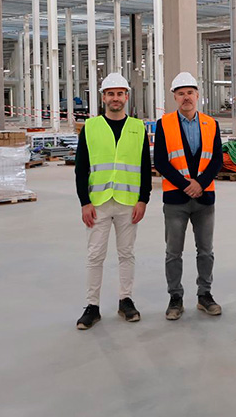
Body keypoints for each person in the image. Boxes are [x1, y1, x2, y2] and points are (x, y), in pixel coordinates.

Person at [74, 73, 152, 330]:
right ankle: (91, 306)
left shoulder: (138, 127)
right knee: (95, 255)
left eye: (120, 93)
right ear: (103, 97)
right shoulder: (91, 127)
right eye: (110, 94)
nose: (115, 98)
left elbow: (144, 166)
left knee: (126, 254)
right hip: (98, 203)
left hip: (128, 202)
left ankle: (125, 300)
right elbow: (81, 168)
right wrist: (84, 202)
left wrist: (143, 200)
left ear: (126, 97)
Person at [153, 72, 223, 320]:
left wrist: (200, 184)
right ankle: (175, 298)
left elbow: (216, 160)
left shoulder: (211, 124)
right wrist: (186, 185)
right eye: (181, 93)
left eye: (190, 92)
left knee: (206, 250)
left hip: (204, 200)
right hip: (175, 200)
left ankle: (205, 295)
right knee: (174, 252)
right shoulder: (164, 124)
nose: (186, 97)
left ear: (197, 95)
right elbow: (160, 161)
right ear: (174, 97)